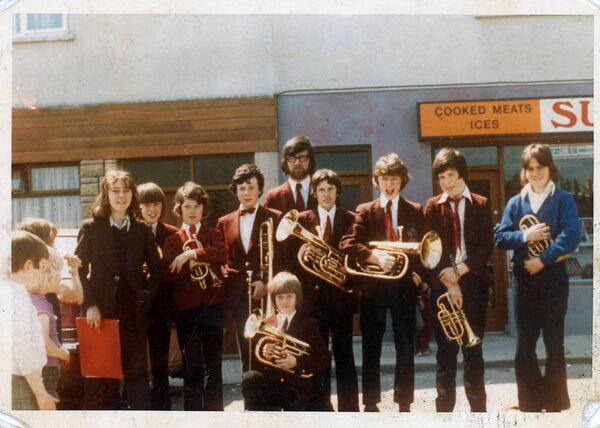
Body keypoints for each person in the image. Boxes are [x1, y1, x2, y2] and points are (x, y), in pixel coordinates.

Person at [494, 143, 580, 412]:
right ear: (525, 171)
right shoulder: (516, 202)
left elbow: (571, 236)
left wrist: (542, 259)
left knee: (554, 341)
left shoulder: (563, 199)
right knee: (525, 343)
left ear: (549, 168)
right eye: (530, 169)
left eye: (540, 168)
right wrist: (525, 236)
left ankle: (555, 402)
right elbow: (500, 237)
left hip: (553, 276)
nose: (535, 173)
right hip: (524, 279)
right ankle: (529, 401)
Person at [340, 153, 424, 412]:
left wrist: (418, 275)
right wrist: (375, 257)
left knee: (405, 347)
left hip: (404, 289)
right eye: (384, 179)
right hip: (373, 289)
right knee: (371, 347)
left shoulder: (415, 210)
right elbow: (348, 243)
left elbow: (424, 249)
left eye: (394, 179)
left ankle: (404, 403)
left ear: (402, 181)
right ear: (377, 181)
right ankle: (371, 402)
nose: (389, 185)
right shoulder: (366, 210)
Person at [75, 169, 161, 410]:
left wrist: (145, 297)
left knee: (137, 379)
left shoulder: (141, 229)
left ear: (133, 195)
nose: (121, 196)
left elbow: (156, 270)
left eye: (126, 191)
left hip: (133, 314)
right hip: (100, 314)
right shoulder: (91, 227)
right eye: (115, 191)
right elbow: (79, 270)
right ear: (106, 194)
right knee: (102, 380)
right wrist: (89, 305)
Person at [284, 168, 359, 411]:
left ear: (338, 192)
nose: (326, 195)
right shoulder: (303, 220)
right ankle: (321, 408)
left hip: (340, 299)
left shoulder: (350, 218)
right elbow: (292, 260)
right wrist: (304, 254)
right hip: (313, 301)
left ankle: (350, 411)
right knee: (317, 357)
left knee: (345, 355)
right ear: (314, 193)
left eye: (330, 189)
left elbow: (354, 258)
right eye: (321, 190)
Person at [424, 148, 492, 412]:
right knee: (446, 352)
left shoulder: (482, 203)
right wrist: (450, 282)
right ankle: (444, 413)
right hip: (443, 284)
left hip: (473, 282)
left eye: (451, 175)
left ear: (462, 174)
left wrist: (460, 271)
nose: (446, 182)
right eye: (441, 177)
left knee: (473, 352)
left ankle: (479, 414)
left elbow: (486, 247)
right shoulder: (433, 205)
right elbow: (429, 249)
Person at [162, 181, 227, 411]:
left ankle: (215, 417)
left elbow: (221, 254)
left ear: (203, 209)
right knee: (192, 366)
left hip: (212, 307)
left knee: (214, 365)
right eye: (187, 206)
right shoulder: (171, 240)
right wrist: (197, 262)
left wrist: (192, 254)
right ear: (179, 209)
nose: (192, 211)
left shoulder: (213, 233)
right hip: (186, 312)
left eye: (196, 207)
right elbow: (168, 272)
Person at [216, 164, 282, 378]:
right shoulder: (223, 222)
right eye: (241, 188)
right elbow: (223, 259)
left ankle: (271, 405)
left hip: (268, 296)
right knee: (246, 352)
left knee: (269, 348)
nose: (246, 193)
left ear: (260, 189)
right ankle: (250, 405)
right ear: (235, 190)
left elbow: (283, 259)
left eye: (251, 187)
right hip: (238, 297)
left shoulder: (275, 217)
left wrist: (266, 282)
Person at [241, 271, 331, 411]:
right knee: (250, 378)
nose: (284, 301)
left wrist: (296, 361)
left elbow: (324, 358)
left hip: (297, 385)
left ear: (297, 298)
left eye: (289, 296)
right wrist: (266, 354)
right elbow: (257, 364)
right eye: (280, 297)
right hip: (274, 384)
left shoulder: (309, 324)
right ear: (274, 299)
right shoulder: (267, 323)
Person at [137, 182, 178, 410]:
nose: (152, 210)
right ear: (139, 208)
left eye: (156, 205)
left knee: (161, 363)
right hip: (137, 307)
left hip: (161, 308)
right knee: (138, 364)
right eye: (146, 205)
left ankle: (163, 412)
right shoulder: (131, 231)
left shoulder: (172, 233)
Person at [10, 230, 58, 410]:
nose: (43, 276)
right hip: (20, 381)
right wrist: (41, 393)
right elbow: (23, 348)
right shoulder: (18, 296)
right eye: (43, 268)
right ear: (29, 266)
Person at [263, 135, 317, 213]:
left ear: (310, 161)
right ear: (285, 162)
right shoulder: (273, 196)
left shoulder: (324, 192)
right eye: (292, 158)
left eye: (303, 157)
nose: (297, 162)